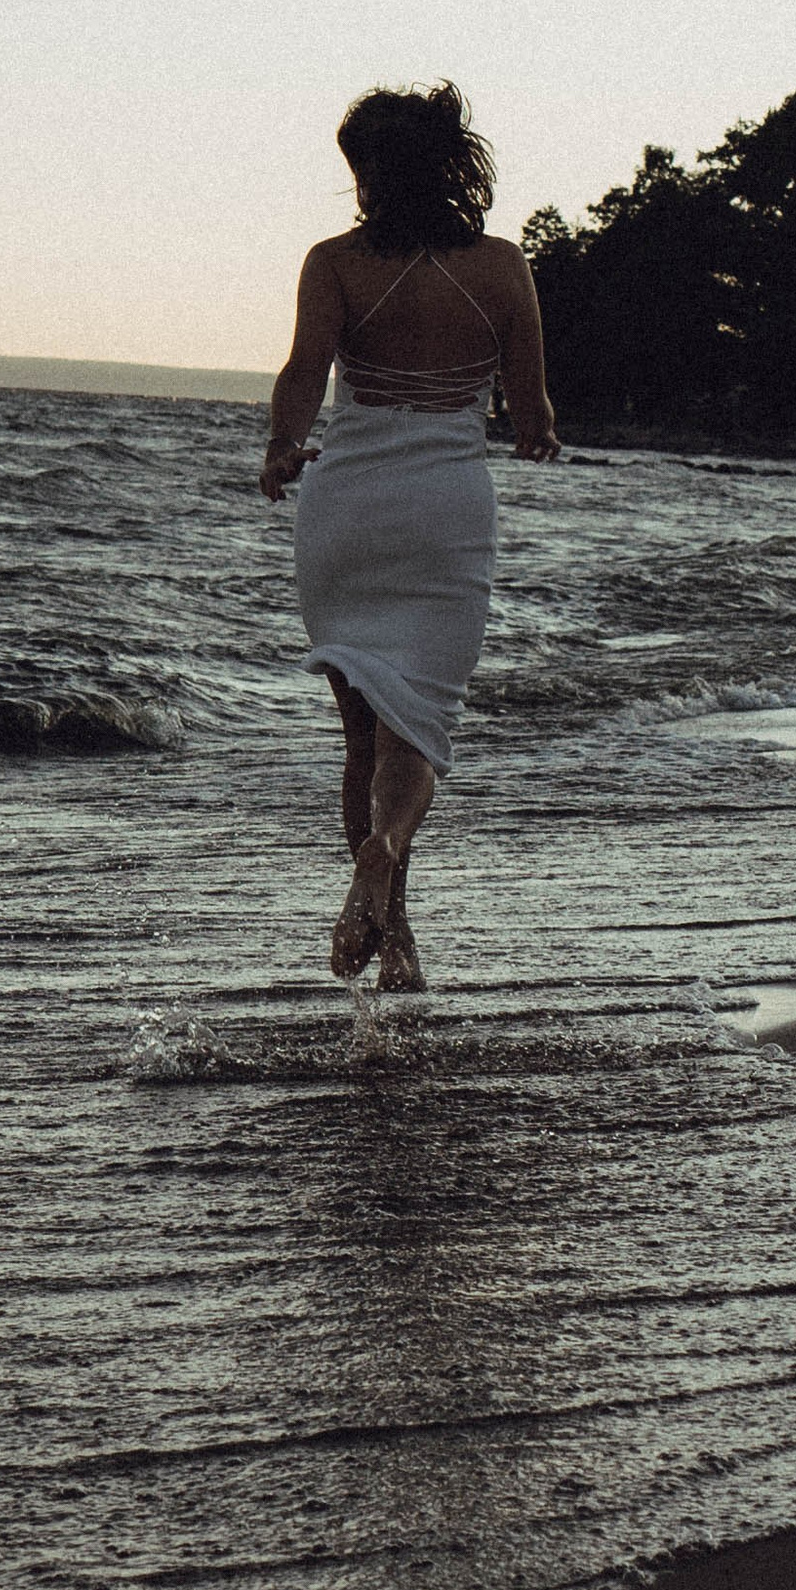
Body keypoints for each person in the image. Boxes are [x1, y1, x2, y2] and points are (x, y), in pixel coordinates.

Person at [259, 83, 557, 988]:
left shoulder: (334, 263)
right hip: (445, 509)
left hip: (347, 505)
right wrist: (535, 431)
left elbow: (304, 373)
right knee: (416, 728)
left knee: (362, 732)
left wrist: (279, 450)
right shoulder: (504, 266)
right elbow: (532, 409)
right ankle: (386, 860)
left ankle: (395, 926)